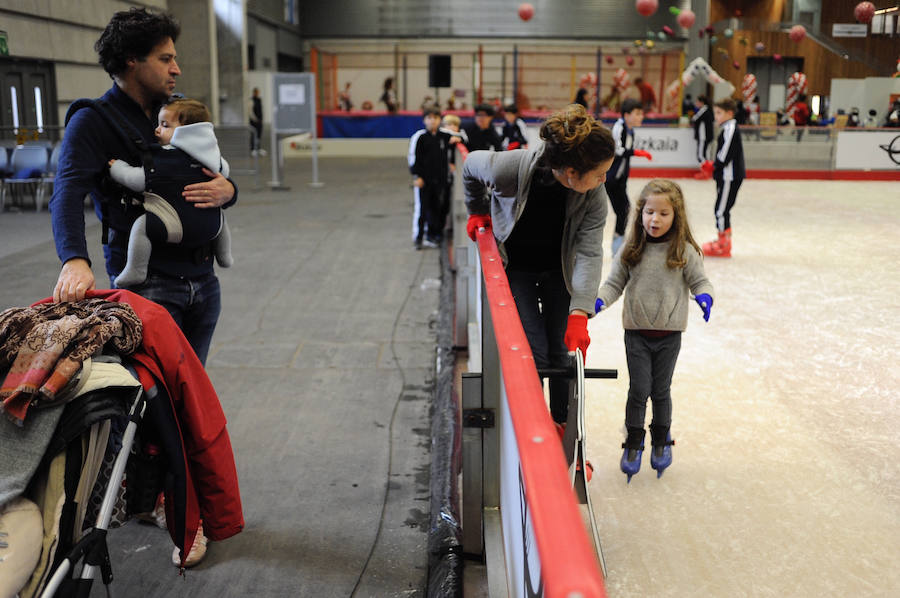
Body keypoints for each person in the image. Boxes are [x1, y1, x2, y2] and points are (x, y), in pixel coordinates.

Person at [49, 7, 236, 568]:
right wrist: (75, 259)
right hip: (151, 287)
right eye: (165, 58)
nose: (177, 68)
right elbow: (66, 192)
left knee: (182, 399)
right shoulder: (93, 124)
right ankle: (179, 512)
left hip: (203, 280)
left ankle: (152, 494)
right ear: (132, 62)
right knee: (164, 402)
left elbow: (214, 177)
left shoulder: (173, 118)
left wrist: (230, 191)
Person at [463, 103, 616, 426]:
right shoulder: (511, 168)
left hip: (558, 270)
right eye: (600, 173)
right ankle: (533, 425)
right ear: (572, 173)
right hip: (517, 268)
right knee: (534, 352)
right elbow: (469, 166)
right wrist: (477, 210)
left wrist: (580, 312)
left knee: (562, 352)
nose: (605, 179)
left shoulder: (594, 195)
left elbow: (589, 252)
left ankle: (560, 424)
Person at [594, 179, 714, 482]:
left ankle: (661, 438)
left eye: (663, 213)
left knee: (660, 391)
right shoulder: (630, 248)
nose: (654, 219)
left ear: (676, 216)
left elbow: (701, 281)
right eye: (649, 212)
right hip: (636, 332)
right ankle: (633, 442)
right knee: (638, 390)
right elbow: (613, 284)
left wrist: (705, 296)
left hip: (669, 335)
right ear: (640, 212)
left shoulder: (684, 250)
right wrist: (599, 300)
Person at [108, 97, 233, 288]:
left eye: (165, 125)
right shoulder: (213, 159)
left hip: (172, 227)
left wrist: (117, 167)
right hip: (210, 227)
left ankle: (136, 269)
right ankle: (224, 256)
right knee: (220, 216)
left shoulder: (164, 158)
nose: (157, 130)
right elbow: (224, 172)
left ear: (188, 132)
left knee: (142, 226)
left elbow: (136, 179)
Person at [605, 98, 652, 256]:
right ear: (626, 115)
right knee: (622, 210)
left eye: (641, 114)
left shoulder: (631, 130)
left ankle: (619, 243)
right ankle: (617, 246)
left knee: (625, 210)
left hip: (620, 178)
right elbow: (616, 149)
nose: (641, 117)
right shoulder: (619, 127)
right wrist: (636, 152)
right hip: (611, 178)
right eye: (637, 113)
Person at [700, 98, 745, 258]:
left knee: (720, 209)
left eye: (719, 113)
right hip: (726, 175)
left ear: (730, 113)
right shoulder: (726, 127)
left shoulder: (730, 128)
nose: (716, 116)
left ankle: (723, 245)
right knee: (722, 209)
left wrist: (714, 165)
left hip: (729, 176)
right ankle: (723, 240)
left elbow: (725, 153)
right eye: (715, 113)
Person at [409, 105, 454, 249]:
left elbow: (462, 138)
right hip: (424, 180)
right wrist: (417, 176)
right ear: (424, 120)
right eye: (429, 118)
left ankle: (433, 235)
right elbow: (414, 158)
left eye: (435, 118)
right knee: (422, 209)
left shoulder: (444, 136)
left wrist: (456, 139)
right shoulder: (420, 137)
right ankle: (418, 237)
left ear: (439, 120)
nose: (432, 121)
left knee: (436, 208)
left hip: (439, 180)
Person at [691, 95, 714, 177]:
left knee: (701, 155)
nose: (696, 103)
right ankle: (706, 172)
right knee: (706, 154)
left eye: (697, 102)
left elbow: (694, 119)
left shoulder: (704, 109)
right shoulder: (708, 109)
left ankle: (705, 172)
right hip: (707, 136)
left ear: (701, 102)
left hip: (703, 136)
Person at [249, 86, 264, 155]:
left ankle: (258, 148)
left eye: (258, 92)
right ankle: (253, 149)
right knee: (253, 135)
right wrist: (255, 119)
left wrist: (261, 119)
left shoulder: (259, 100)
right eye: (256, 92)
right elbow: (250, 111)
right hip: (254, 121)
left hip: (260, 121)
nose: (257, 93)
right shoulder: (251, 100)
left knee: (259, 135)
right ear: (254, 93)